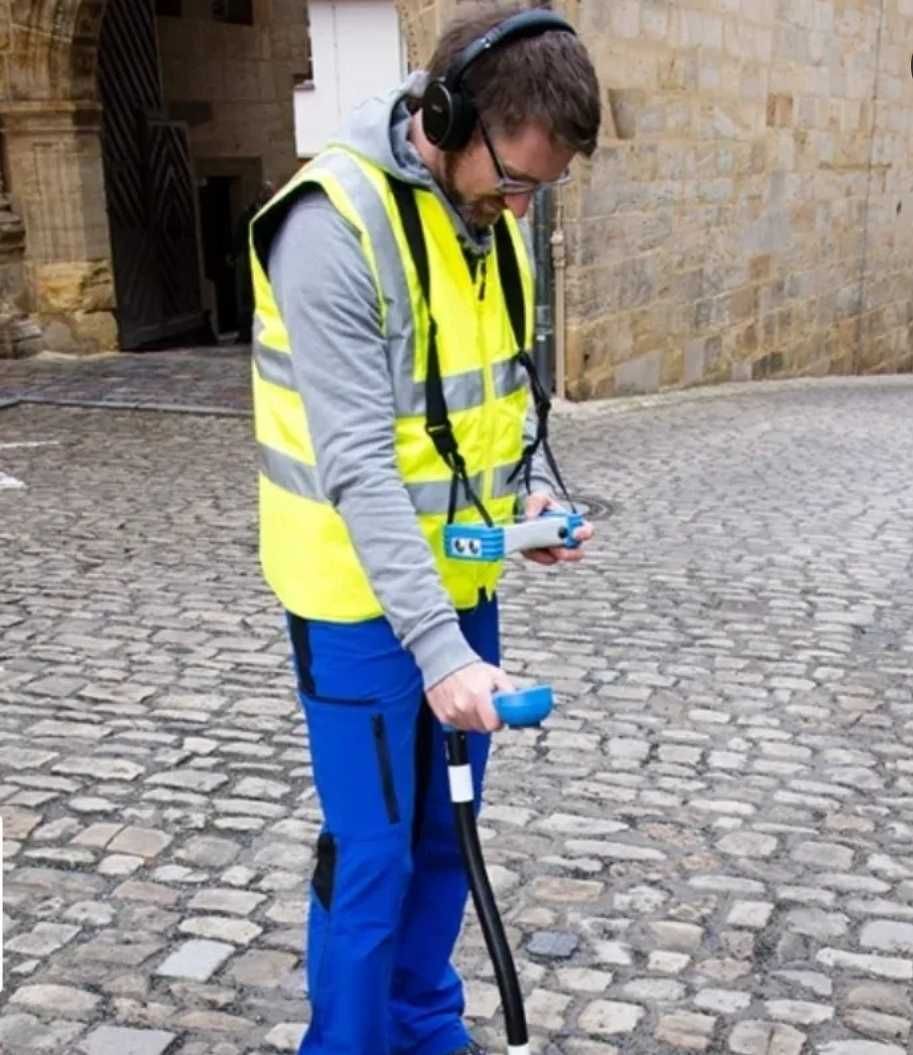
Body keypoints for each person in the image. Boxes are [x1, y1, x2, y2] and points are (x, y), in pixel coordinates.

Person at [249, 5, 601, 1054]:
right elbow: (358, 461)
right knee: (374, 855)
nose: (523, 202)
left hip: (462, 584)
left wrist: (526, 502)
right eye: (512, 177)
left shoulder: (495, 214)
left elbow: (495, 398)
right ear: (446, 116)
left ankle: (422, 1028)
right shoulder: (328, 227)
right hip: (358, 605)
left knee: (446, 841)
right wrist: (441, 653)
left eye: (543, 185)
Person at [234, 180, 275, 342]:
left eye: (270, 191)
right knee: (247, 296)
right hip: (249, 257)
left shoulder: (274, 211)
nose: (267, 195)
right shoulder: (248, 214)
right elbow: (240, 234)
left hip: (269, 257)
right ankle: (246, 332)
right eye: (265, 191)